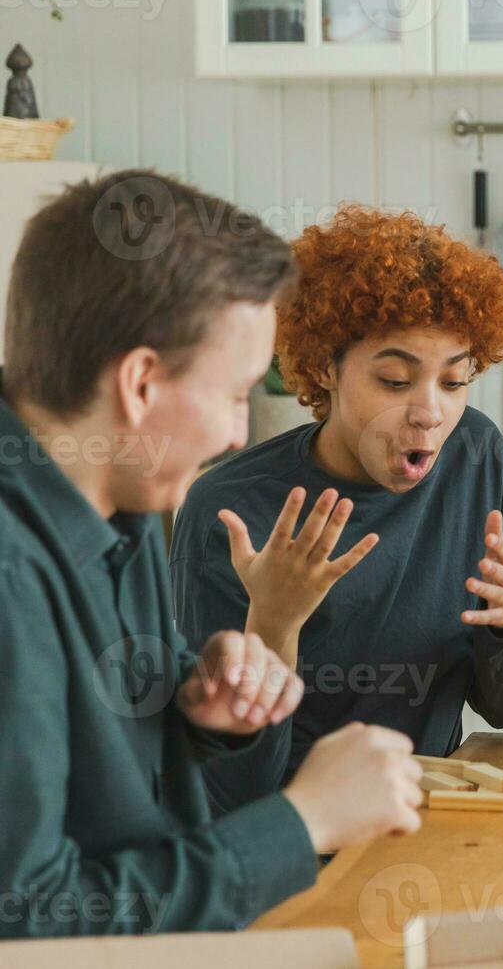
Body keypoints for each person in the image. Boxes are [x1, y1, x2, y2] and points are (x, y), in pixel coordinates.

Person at [0, 170, 422, 937]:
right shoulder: (11, 576)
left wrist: (195, 708)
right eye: (233, 395)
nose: (237, 433)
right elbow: (29, 922)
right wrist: (304, 822)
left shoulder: (122, 493)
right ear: (139, 382)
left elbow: (104, 780)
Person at [170, 205, 503, 816]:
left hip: (434, 818)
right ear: (325, 367)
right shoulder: (233, 511)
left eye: (454, 382)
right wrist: (273, 623)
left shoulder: (477, 457)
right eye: (395, 381)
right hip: (298, 840)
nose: (429, 413)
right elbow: (221, 789)